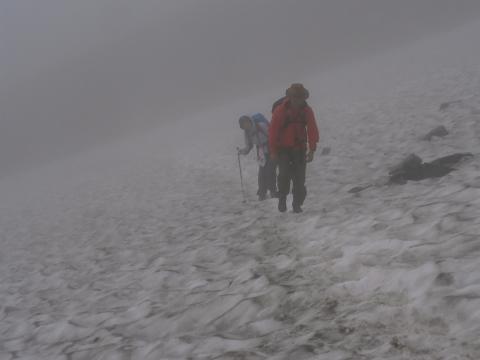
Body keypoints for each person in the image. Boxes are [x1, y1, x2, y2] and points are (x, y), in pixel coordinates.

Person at [269, 84, 319, 213]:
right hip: (283, 150)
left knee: (299, 179)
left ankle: (297, 204)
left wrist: (312, 149)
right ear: (290, 97)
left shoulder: (307, 111)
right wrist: (273, 152)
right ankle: (282, 199)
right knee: (284, 175)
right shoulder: (280, 111)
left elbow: (312, 129)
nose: (297, 100)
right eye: (295, 97)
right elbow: (273, 132)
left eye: (300, 97)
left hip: (299, 149)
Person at [238, 113, 278, 200]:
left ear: (249, 121)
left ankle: (273, 191)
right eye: (243, 125)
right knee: (262, 173)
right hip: (260, 152)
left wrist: (274, 151)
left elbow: (272, 137)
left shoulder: (261, 126)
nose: (245, 126)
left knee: (270, 171)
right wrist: (242, 151)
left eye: (245, 123)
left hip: (270, 148)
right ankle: (262, 193)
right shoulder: (247, 132)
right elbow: (248, 146)